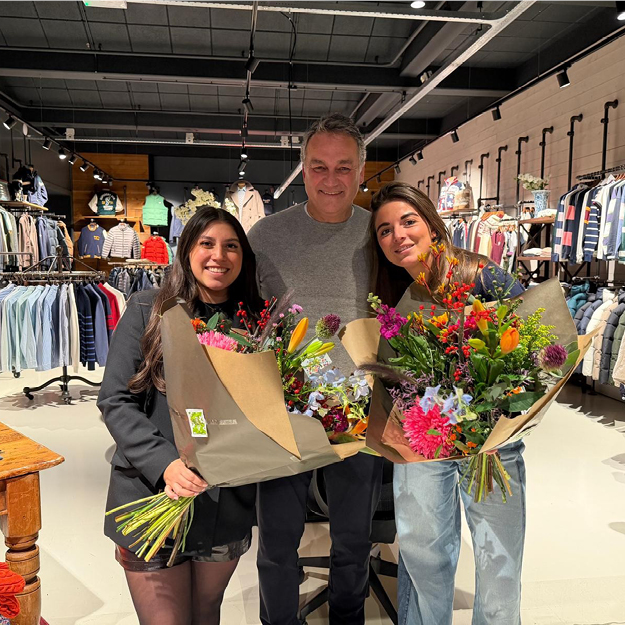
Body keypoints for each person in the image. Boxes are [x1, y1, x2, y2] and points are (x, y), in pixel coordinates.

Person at [248, 113, 384, 625]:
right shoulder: (265, 235)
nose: (331, 179)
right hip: (283, 408)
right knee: (276, 538)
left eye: (343, 167)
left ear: (361, 171)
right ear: (302, 169)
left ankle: (348, 616)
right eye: (318, 166)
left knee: (354, 537)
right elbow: (242, 315)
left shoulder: (380, 234)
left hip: (359, 410)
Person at [369, 180, 525, 625]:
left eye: (408, 222)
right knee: (424, 559)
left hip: (490, 442)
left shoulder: (479, 274)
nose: (398, 236)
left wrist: (500, 405)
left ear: (433, 225)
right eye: (384, 230)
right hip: (423, 440)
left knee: (499, 563)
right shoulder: (393, 296)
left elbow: (535, 339)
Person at [98, 207, 263, 625]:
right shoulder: (148, 309)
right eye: (207, 243)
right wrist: (166, 464)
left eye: (231, 246)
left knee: (207, 613)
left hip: (224, 502)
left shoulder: (256, 322)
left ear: (243, 256)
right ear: (187, 249)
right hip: (150, 494)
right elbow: (115, 400)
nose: (218, 256)